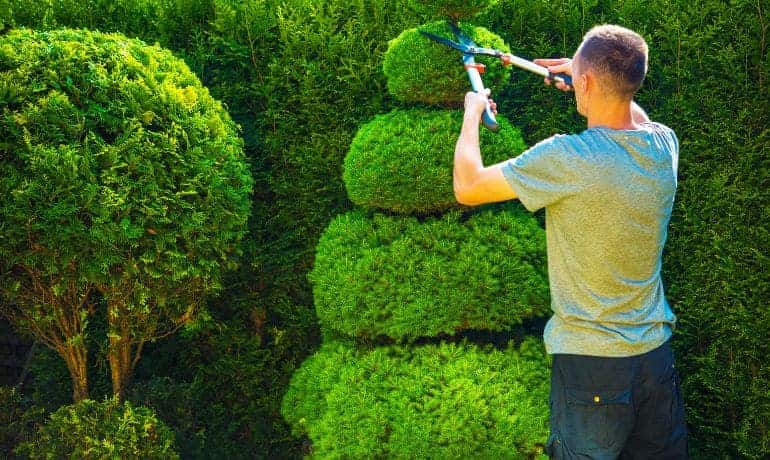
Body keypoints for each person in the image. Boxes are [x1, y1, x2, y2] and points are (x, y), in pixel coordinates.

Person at [453, 24, 688, 458]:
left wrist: (471, 114)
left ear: (586, 82)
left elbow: (468, 186)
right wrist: (587, 81)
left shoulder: (568, 158)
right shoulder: (663, 145)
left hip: (592, 370)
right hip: (655, 360)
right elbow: (632, 114)